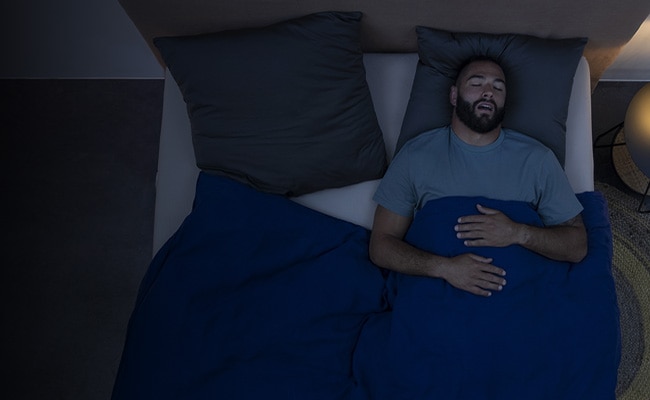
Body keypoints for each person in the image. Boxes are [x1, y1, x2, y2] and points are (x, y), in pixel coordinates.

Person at [369, 56, 588, 297]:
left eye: (498, 87)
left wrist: (518, 233)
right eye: (476, 83)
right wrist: (446, 268)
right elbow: (381, 246)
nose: (488, 93)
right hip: (441, 298)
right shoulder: (415, 155)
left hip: (518, 298)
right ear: (454, 96)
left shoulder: (538, 159)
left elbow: (577, 246)